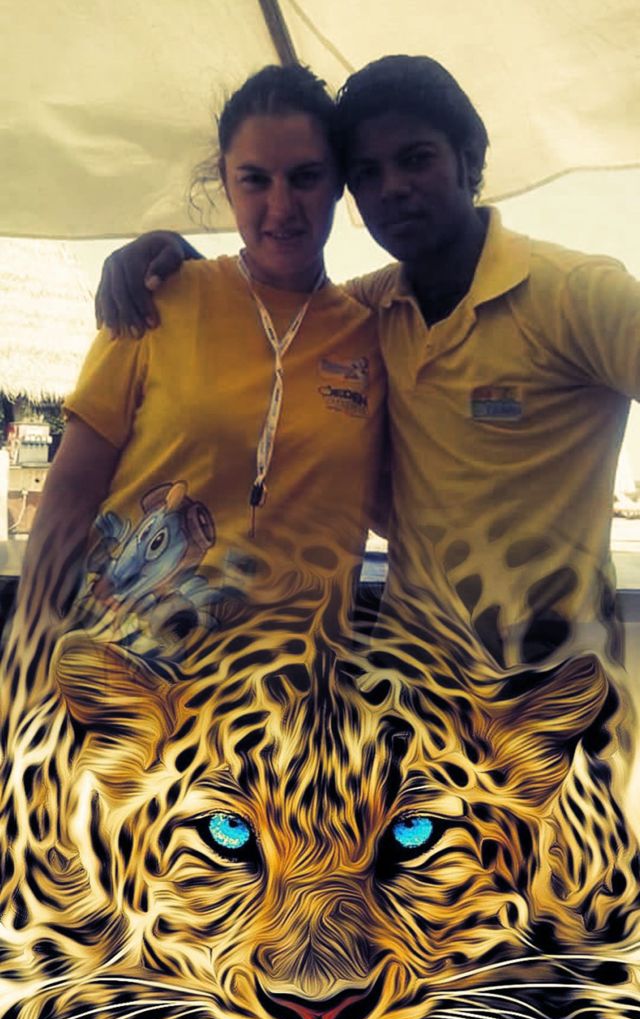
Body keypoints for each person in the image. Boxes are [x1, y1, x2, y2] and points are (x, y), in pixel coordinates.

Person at [97, 54, 640, 682]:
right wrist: (174, 258)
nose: (392, 188)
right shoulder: (369, 311)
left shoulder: (576, 294)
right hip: (412, 689)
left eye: (416, 159)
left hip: (552, 692)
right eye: (367, 172)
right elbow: (268, 304)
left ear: (469, 161)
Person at [1, 64, 387, 699]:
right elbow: (68, 495)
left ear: (338, 181)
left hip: (288, 710)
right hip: (122, 690)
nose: (281, 206)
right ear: (226, 185)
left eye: (305, 177)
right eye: (255, 180)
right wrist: (26, 656)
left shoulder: (373, 334)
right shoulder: (157, 300)